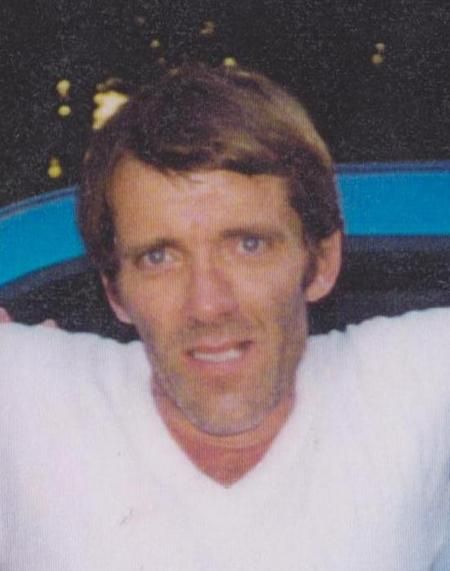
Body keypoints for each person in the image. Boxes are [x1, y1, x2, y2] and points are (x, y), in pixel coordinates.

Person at [0, 65, 449, 570]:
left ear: (322, 261)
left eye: (248, 245)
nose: (208, 304)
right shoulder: (28, 396)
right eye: (159, 257)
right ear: (115, 291)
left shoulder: (413, 387)